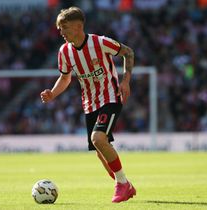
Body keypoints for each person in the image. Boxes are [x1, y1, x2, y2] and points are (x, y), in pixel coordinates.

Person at [40, 6, 136, 203]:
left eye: (64, 28)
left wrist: (126, 80)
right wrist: (53, 93)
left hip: (110, 97)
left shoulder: (99, 42)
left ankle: (122, 184)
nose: (61, 32)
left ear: (78, 26)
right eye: (60, 29)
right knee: (101, 152)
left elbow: (128, 52)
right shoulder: (64, 52)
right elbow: (65, 78)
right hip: (89, 103)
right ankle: (125, 183)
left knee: (98, 138)